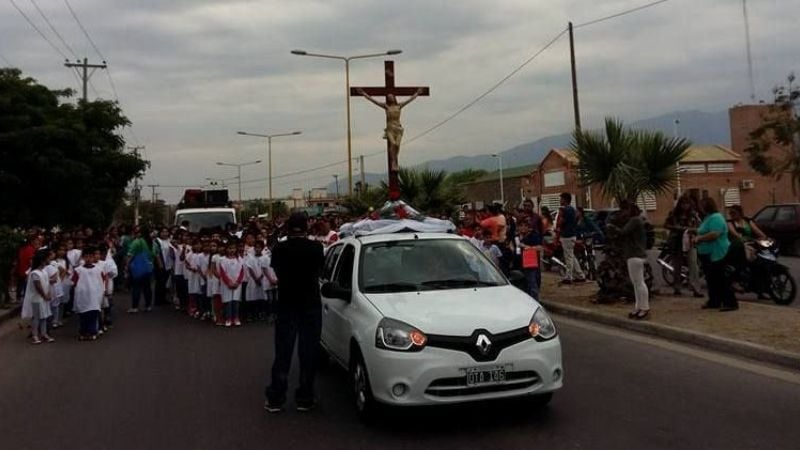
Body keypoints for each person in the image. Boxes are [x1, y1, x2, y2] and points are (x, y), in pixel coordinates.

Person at [265, 212, 325, 413]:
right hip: (310, 303)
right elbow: (319, 271)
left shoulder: (279, 249)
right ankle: (305, 398)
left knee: (283, 352)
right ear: (306, 228)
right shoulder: (316, 248)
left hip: (287, 303)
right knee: (308, 352)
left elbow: (277, 271)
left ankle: (276, 398)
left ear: (288, 228)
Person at [694, 197, 737, 311]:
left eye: (702, 206)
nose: (700, 208)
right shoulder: (707, 218)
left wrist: (700, 238)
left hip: (717, 252)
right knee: (711, 279)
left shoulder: (716, 218)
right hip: (707, 253)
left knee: (720, 278)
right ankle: (714, 301)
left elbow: (714, 234)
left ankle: (730, 302)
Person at [609, 202, 650, 319]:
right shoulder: (637, 220)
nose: (623, 213)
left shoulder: (634, 220)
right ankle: (639, 306)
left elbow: (623, 232)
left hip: (634, 254)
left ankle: (644, 307)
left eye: (624, 210)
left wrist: (613, 228)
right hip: (636, 254)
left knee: (639, 282)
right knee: (637, 283)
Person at [664, 195, 703, 297]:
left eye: (687, 203)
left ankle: (695, 288)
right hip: (677, 241)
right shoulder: (674, 214)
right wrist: (676, 228)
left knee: (693, 264)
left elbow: (700, 226)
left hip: (690, 241)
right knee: (677, 265)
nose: (685, 206)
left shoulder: (694, 215)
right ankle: (677, 288)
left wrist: (692, 230)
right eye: (683, 203)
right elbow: (666, 224)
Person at [21, 249, 54, 344]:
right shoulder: (35, 273)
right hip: (36, 298)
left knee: (44, 316)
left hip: (43, 298)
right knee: (36, 317)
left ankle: (44, 334)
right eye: (46, 259)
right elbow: (38, 286)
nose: (48, 260)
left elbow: (46, 283)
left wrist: (48, 294)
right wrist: (44, 295)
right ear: (42, 261)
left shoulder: (44, 271)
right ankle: (35, 335)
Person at [72, 247, 106, 340]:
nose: (88, 259)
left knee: (93, 314)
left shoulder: (98, 270)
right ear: (83, 258)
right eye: (86, 257)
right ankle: (83, 332)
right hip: (83, 297)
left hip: (94, 296)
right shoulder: (78, 270)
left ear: (93, 257)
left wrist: (101, 292)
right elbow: (74, 282)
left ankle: (92, 332)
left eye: (90, 257)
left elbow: (102, 282)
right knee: (83, 315)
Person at [556, 192, 586, 284]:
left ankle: (569, 277)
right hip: (572, 235)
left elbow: (560, 222)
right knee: (571, 256)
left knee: (568, 257)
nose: (560, 200)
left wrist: (558, 227)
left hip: (566, 235)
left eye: (561, 199)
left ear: (565, 200)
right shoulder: (573, 209)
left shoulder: (564, 210)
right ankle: (580, 275)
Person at [126, 227, 155, 313]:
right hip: (148, 267)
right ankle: (148, 306)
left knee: (136, 287)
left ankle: (135, 307)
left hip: (137, 268)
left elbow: (130, 254)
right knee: (147, 287)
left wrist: (127, 265)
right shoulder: (150, 242)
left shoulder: (137, 242)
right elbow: (153, 254)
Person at [218, 241, 244, 327]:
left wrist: (237, 282)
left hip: (237, 284)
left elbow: (242, 272)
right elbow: (222, 273)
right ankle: (228, 318)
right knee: (228, 302)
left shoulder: (239, 259)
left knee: (236, 301)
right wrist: (228, 282)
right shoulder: (223, 260)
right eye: (229, 248)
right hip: (227, 284)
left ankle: (236, 318)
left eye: (233, 248)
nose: (231, 250)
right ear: (226, 249)